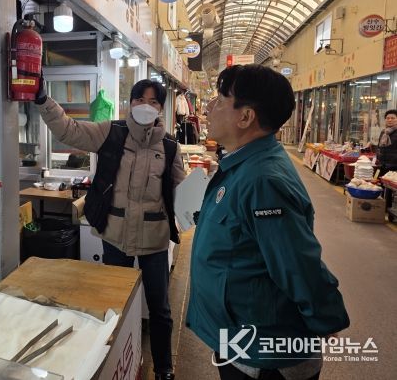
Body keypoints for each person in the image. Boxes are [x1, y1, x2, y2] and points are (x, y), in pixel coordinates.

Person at [186, 64, 349, 380]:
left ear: (246, 117)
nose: (209, 106)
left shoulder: (262, 180)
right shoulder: (243, 166)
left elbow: (297, 261)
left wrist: (326, 317)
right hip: (240, 336)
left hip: (264, 355)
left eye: (221, 99)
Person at [35, 78, 185, 380]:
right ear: (130, 103)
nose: (145, 106)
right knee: (114, 304)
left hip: (154, 239)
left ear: (161, 108)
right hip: (115, 235)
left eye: (153, 102)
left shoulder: (170, 147)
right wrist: (43, 100)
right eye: (139, 99)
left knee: (160, 309)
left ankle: (164, 368)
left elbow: (181, 193)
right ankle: (114, 361)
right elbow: (69, 130)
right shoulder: (111, 132)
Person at [376, 109, 397, 177]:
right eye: (387, 118)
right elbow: (379, 147)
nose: (390, 120)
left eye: (392, 118)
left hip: (394, 168)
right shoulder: (384, 132)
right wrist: (378, 157)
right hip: (382, 166)